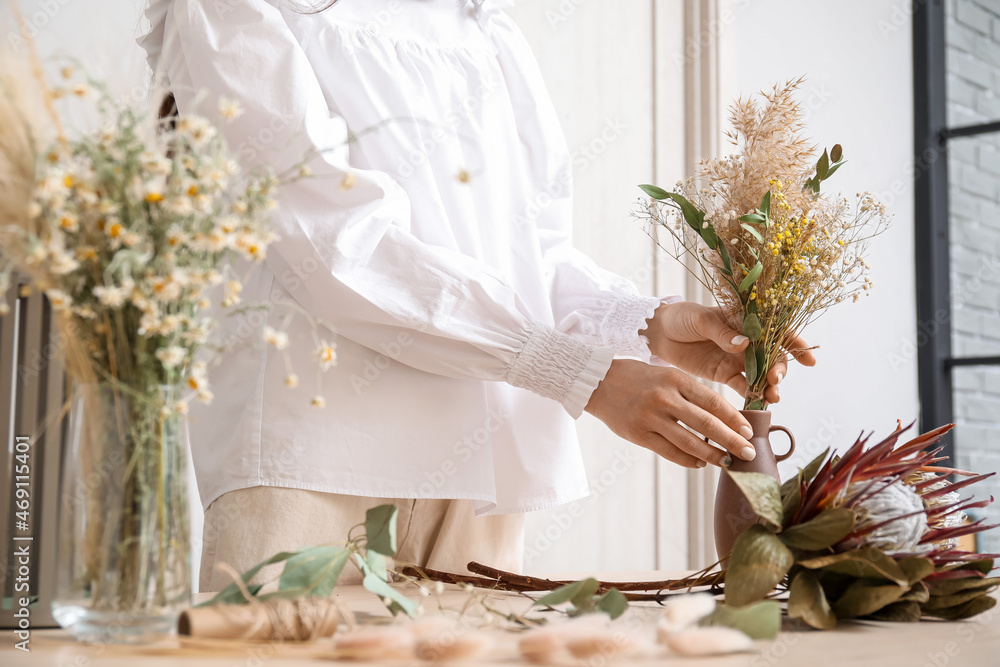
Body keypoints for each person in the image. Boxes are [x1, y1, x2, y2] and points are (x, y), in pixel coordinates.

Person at [138, 0, 815, 591]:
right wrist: (581, 375)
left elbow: (531, 256)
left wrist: (649, 327)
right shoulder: (232, 8)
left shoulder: (485, 28)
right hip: (310, 464)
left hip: (477, 470)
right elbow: (337, 242)